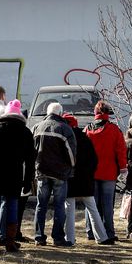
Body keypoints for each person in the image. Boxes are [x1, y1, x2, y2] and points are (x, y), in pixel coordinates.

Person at [0, 99, 36, 252]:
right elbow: (31, 159)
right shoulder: (25, 132)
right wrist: (28, 179)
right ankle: (9, 241)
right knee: (12, 206)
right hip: (14, 174)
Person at [62, 113, 111, 245]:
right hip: (85, 180)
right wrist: (89, 174)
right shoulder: (85, 138)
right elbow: (94, 160)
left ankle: (69, 239)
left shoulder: (64, 138)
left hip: (70, 179)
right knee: (92, 208)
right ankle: (102, 237)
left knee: (69, 209)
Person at [33, 102, 77, 247]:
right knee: (59, 205)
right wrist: (71, 167)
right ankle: (58, 238)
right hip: (59, 172)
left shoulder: (37, 127)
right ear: (61, 113)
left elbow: (32, 150)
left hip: (42, 170)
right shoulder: (65, 129)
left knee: (41, 205)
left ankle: (39, 237)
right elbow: (71, 153)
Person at [85, 100, 127, 242]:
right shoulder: (114, 130)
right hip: (109, 173)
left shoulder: (87, 129)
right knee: (107, 205)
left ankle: (91, 231)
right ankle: (109, 232)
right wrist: (123, 168)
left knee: (91, 204)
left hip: (91, 173)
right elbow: (121, 150)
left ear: (95, 113)